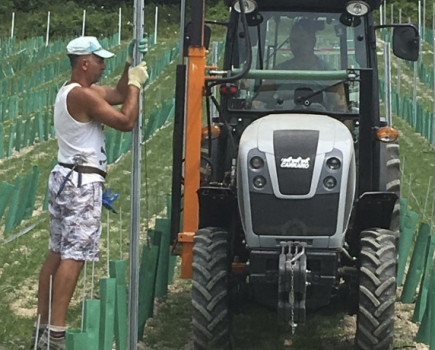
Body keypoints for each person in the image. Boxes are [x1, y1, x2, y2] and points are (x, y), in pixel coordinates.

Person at [30, 36, 148, 350]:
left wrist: (130, 66)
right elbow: (126, 120)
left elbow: (119, 93)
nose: (103, 65)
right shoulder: (83, 97)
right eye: (100, 60)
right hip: (82, 184)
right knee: (75, 256)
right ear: (85, 63)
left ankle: (41, 329)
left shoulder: (74, 92)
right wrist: (137, 85)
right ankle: (56, 335)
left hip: (66, 178)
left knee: (56, 253)